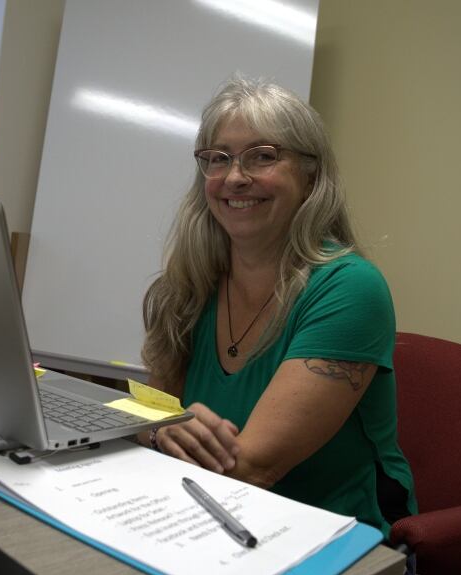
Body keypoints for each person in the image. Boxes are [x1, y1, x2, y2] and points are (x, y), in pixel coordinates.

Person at [139, 76, 417, 548]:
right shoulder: (187, 285)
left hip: (328, 540)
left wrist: (158, 432)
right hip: (200, 518)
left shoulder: (350, 289)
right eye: (217, 158)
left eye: (262, 156)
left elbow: (252, 467)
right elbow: (152, 413)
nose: (234, 177)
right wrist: (158, 430)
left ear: (311, 175)